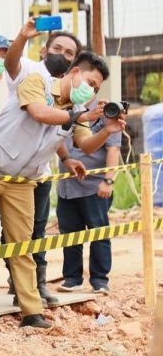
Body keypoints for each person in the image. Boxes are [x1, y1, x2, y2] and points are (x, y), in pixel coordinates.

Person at [0, 52, 124, 327]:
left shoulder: (77, 112)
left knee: (22, 244)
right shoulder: (38, 82)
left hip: (23, 180)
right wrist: (78, 114)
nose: (92, 91)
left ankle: (31, 311)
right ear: (73, 73)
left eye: (96, 88)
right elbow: (39, 113)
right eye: (90, 82)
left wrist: (106, 130)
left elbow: (84, 145)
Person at [3, 23, 85, 304]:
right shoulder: (29, 70)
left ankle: (35, 285)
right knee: (12, 232)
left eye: (69, 52)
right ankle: (14, 283)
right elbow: (10, 62)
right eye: (57, 48)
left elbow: (56, 130)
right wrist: (22, 36)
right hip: (9, 168)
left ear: (75, 63)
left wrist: (66, 158)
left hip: (40, 170)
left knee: (37, 230)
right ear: (44, 50)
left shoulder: (71, 89)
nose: (62, 54)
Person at [56, 111, 121, 295]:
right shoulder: (63, 110)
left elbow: (113, 149)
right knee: (69, 234)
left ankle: (100, 280)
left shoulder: (108, 113)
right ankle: (72, 278)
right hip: (67, 187)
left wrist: (108, 180)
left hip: (95, 187)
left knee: (98, 233)